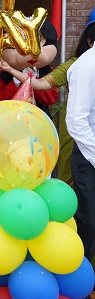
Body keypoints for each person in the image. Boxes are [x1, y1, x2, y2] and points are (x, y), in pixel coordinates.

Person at [0, 21, 95, 184]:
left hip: (39, 124)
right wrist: (13, 76)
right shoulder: (77, 64)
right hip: (13, 126)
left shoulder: (47, 69)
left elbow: (50, 97)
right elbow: (0, 97)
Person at [66, 30, 95, 263]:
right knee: (89, 222)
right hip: (89, 155)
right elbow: (76, 121)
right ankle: (82, 280)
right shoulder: (87, 65)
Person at [0, 20, 59, 116]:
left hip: (38, 118)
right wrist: (16, 82)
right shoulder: (6, 71)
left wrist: (35, 83)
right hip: (10, 118)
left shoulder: (46, 70)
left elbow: (51, 98)